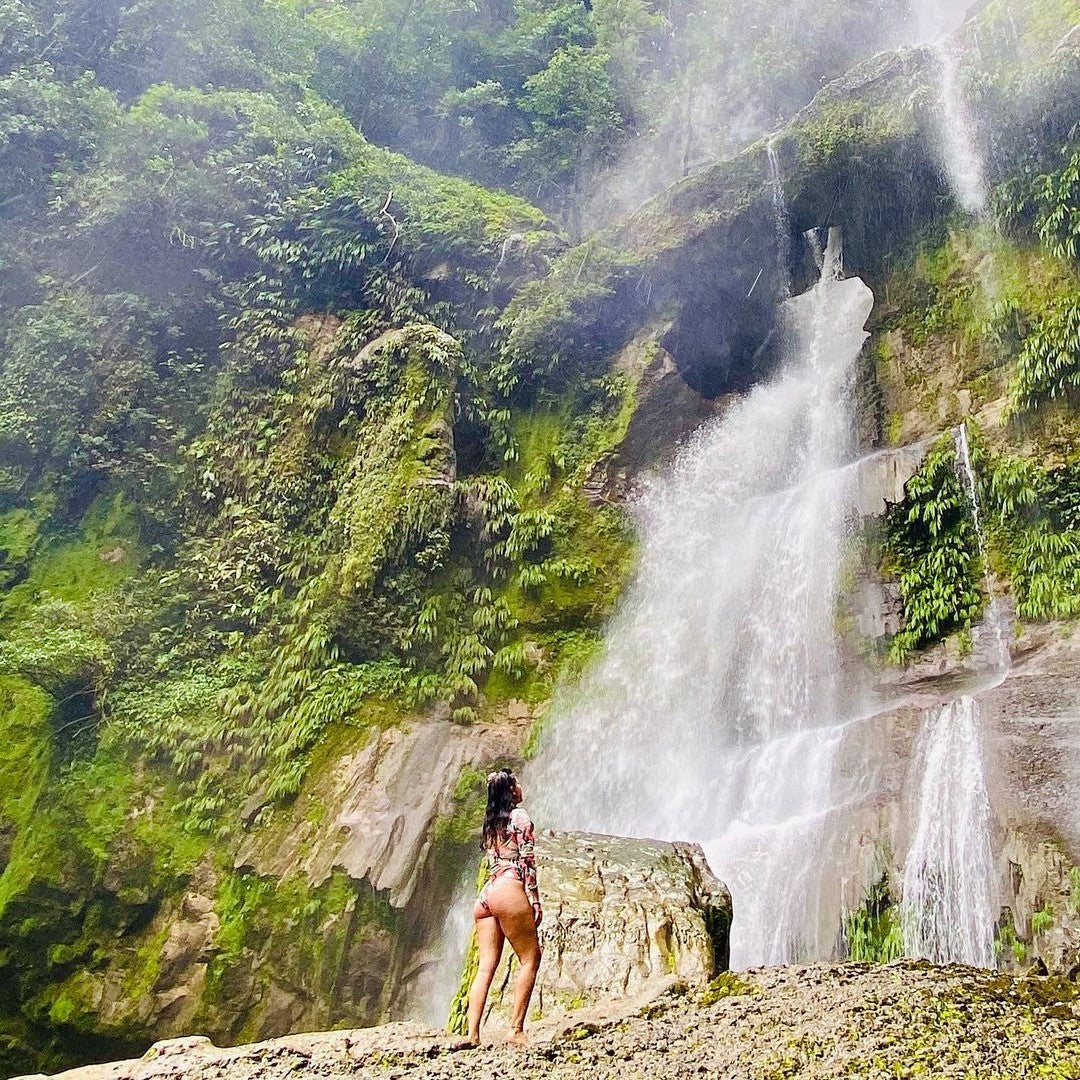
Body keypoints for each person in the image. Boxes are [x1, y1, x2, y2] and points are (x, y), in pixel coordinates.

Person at [466, 768, 543, 1047]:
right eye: (517, 784)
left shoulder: (490, 823)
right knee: (531, 958)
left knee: (486, 966)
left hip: (487, 894)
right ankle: (515, 1029)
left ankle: (472, 1034)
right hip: (509, 888)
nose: (521, 787)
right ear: (511, 791)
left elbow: (492, 861)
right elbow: (527, 861)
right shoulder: (520, 818)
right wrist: (534, 898)